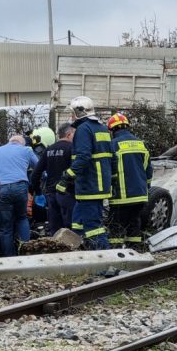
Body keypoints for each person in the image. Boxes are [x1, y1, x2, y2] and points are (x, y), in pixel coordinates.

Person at [55, 95, 112, 249]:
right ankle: (81, 254)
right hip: (98, 184)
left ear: (80, 112)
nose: (71, 117)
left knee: (93, 227)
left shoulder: (83, 129)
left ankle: (104, 259)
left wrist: (66, 177)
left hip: (90, 185)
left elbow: (83, 158)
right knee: (77, 221)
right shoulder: (101, 128)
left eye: (72, 113)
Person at [106, 112, 153, 249]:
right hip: (140, 194)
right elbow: (148, 170)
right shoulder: (141, 144)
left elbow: (109, 169)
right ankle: (135, 251)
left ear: (113, 130)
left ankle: (116, 255)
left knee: (116, 226)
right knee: (134, 223)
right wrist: (146, 186)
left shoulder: (113, 145)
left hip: (121, 196)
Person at [0, 135, 39, 256]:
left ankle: (9, 258)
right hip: (20, 187)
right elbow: (38, 167)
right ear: (21, 143)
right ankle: (26, 254)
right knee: (22, 218)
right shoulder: (26, 150)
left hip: (1, 189)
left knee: (5, 227)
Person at [32, 122, 76, 235]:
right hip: (68, 193)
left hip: (51, 195)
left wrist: (37, 191)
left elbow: (36, 173)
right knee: (70, 229)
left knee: (55, 230)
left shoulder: (48, 150)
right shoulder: (72, 148)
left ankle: (57, 252)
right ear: (69, 134)